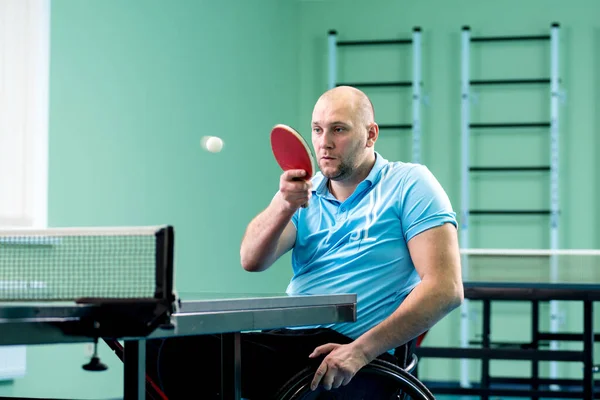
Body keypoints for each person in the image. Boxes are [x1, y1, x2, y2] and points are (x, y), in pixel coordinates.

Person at [146, 86, 463, 399]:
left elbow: (445, 289)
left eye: (339, 129)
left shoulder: (410, 184)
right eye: (317, 129)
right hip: (290, 342)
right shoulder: (303, 191)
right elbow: (251, 259)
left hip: (351, 355)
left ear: (370, 135)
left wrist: (360, 351)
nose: (324, 142)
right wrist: (283, 205)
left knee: (181, 351)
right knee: (154, 342)